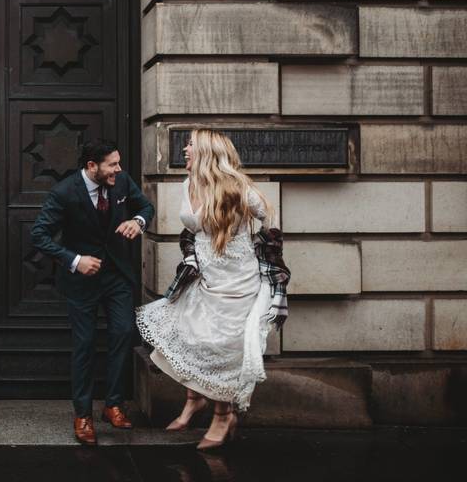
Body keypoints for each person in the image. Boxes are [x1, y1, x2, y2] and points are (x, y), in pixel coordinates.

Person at [135, 128, 289, 451]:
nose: (186, 149)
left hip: (237, 279)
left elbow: (269, 221)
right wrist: (194, 251)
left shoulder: (239, 190)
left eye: (191, 144)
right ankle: (195, 399)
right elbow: (191, 227)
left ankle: (222, 414)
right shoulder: (187, 183)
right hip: (204, 276)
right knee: (191, 334)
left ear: (205, 151)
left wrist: (258, 251)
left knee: (225, 345)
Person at [31, 139, 155, 445]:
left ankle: (113, 404)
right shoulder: (64, 192)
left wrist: (137, 222)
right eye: (112, 164)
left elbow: (146, 206)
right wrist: (75, 261)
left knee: (123, 333)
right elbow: (39, 235)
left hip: (118, 277)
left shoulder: (122, 181)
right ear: (91, 167)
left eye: (118, 163)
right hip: (81, 281)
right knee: (85, 344)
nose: (119, 169)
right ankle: (83, 414)